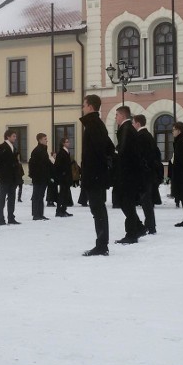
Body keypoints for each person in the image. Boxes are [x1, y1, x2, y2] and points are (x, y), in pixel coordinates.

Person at [79, 94, 115, 256]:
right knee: (98, 209)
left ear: (91, 107)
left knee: (98, 210)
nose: (82, 108)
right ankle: (101, 244)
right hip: (97, 175)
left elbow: (102, 150)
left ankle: (101, 245)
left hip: (95, 176)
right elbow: (109, 147)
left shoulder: (93, 125)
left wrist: (93, 172)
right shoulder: (96, 124)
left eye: (84, 105)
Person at [114, 106, 145, 243]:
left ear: (122, 115)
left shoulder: (126, 129)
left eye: (116, 115)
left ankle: (132, 233)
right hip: (131, 173)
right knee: (127, 202)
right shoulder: (128, 128)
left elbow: (124, 151)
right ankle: (138, 227)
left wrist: (114, 155)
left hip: (127, 173)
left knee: (126, 202)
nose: (115, 118)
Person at [133, 114, 160, 234]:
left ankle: (150, 226)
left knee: (146, 201)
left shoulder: (141, 136)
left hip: (145, 174)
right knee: (147, 201)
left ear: (138, 123)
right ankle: (150, 224)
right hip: (149, 173)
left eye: (133, 123)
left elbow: (142, 156)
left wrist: (144, 168)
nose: (133, 125)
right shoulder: (148, 135)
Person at [0, 130, 20, 226]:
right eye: (13, 136)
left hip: (13, 178)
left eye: (15, 136)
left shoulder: (14, 148)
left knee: (12, 198)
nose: (15, 138)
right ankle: (0, 219)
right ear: (8, 137)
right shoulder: (1, 147)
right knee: (2, 197)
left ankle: (11, 217)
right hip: (4, 177)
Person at [28, 133, 51, 220]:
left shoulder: (43, 150)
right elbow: (33, 165)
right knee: (36, 195)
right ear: (40, 140)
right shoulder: (37, 151)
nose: (47, 140)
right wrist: (35, 176)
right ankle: (35, 214)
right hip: (38, 178)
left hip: (43, 177)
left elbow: (46, 164)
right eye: (45, 139)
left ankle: (40, 213)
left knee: (41, 195)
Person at [54, 137, 74, 217]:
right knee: (62, 194)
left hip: (66, 177)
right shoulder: (61, 153)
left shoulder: (66, 152)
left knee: (65, 194)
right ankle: (59, 211)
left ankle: (63, 209)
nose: (68, 143)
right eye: (67, 142)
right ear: (63, 143)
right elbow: (58, 165)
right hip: (63, 177)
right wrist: (63, 173)